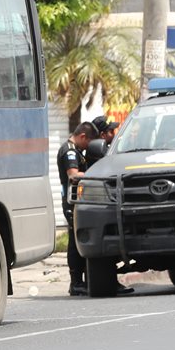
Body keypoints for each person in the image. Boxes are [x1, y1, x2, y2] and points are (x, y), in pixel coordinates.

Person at [57, 122, 96, 296]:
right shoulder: (70, 151)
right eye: (88, 142)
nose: (88, 146)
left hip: (77, 202)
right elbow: (73, 175)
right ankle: (76, 282)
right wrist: (96, 175)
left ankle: (81, 281)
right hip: (71, 203)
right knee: (74, 242)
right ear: (82, 137)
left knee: (78, 239)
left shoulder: (76, 150)